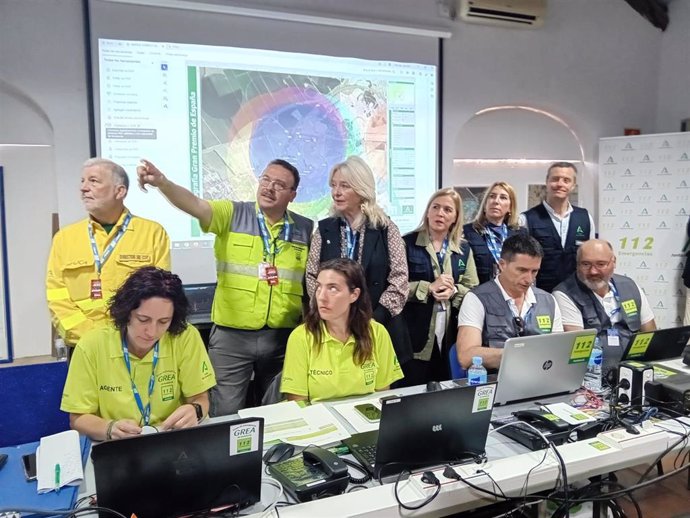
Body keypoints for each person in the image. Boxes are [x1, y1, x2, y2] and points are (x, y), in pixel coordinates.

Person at [137, 159, 313, 415]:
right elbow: (194, 204)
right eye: (265, 179)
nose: (269, 187)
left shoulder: (305, 228)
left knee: (279, 412)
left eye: (279, 184)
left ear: (292, 195)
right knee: (225, 411)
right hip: (232, 339)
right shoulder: (232, 214)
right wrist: (162, 183)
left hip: (282, 338)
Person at [60, 267, 216, 441]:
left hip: (171, 439)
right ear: (127, 313)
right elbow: (78, 418)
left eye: (163, 322)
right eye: (143, 320)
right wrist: (109, 428)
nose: (152, 331)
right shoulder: (91, 346)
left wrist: (195, 409)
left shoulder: (185, 337)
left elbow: (200, 398)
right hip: (118, 444)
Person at [46, 158, 170, 348]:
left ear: (119, 191)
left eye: (93, 181)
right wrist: (91, 338)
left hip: (135, 346)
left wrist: (130, 337)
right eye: (82, 181)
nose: (84, 188)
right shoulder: (65, 238)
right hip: (84, 347)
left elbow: (158, 295)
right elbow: (57, 296)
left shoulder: (152, 233)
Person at [305, 156, 412, 369]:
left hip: (379, 327)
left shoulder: (385, 228)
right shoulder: (325, 229)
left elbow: (400, 278)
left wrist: (374, 319)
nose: (336, 192)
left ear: (362, 189)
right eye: (334, 185)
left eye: (345, 186)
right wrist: (327, 309)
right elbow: (311, 275)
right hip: (333, 330)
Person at [281, 259, 403, 401]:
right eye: (319, 287)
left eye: (333, 288)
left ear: (354, 295)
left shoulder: (377, 333)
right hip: (318, 419)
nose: (321, 297)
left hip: (362, 418)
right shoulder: (302, 336)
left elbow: (382, 396)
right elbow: (298, 404)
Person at [402, 188, 479, 384]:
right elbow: (395, 286)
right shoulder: (407, 243)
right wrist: (428, 288)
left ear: (455, 217)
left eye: (447, 210)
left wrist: (453, 291)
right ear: (427, 212)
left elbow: (473, 289)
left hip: (450, 333)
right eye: (435, 207)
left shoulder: (463, 249)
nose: (440, 213)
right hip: (415, 334)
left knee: (444, 387)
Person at [456, 234, 563, 370]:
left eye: (534, 271)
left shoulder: (548, 301)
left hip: (540, 381)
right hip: (494, 383)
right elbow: (466, 356)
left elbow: (559, 352)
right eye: (522, 270)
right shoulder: (476, 299)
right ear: (502, 265)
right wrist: (519, 354)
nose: (529, 279)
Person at [553, 239, 656, 375]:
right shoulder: (564, 294)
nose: (593, 271)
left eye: (601, 264)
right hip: (595, 375)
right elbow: (578, 351)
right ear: (577, 265)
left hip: (634, 368)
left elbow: (650, 334)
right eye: (586, 264)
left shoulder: (630, 286)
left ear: (613, 262)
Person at [520, 162, 595, 292]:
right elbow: (521, 262)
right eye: (555, 179)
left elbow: (590, 257)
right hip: (541, 294)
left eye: (566, 180)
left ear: (573, 186)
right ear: (547, 182)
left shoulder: (585, 218)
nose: (560, 184)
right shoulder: (526, 219)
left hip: (577, 294)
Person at [463, 182, 524, 285]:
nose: (496, 201)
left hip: (512, 290)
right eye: (492, 196)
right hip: (479, 292)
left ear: (510, 207)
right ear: (485, 204)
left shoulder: (520, 235)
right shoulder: (468, 232)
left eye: (503, 197)